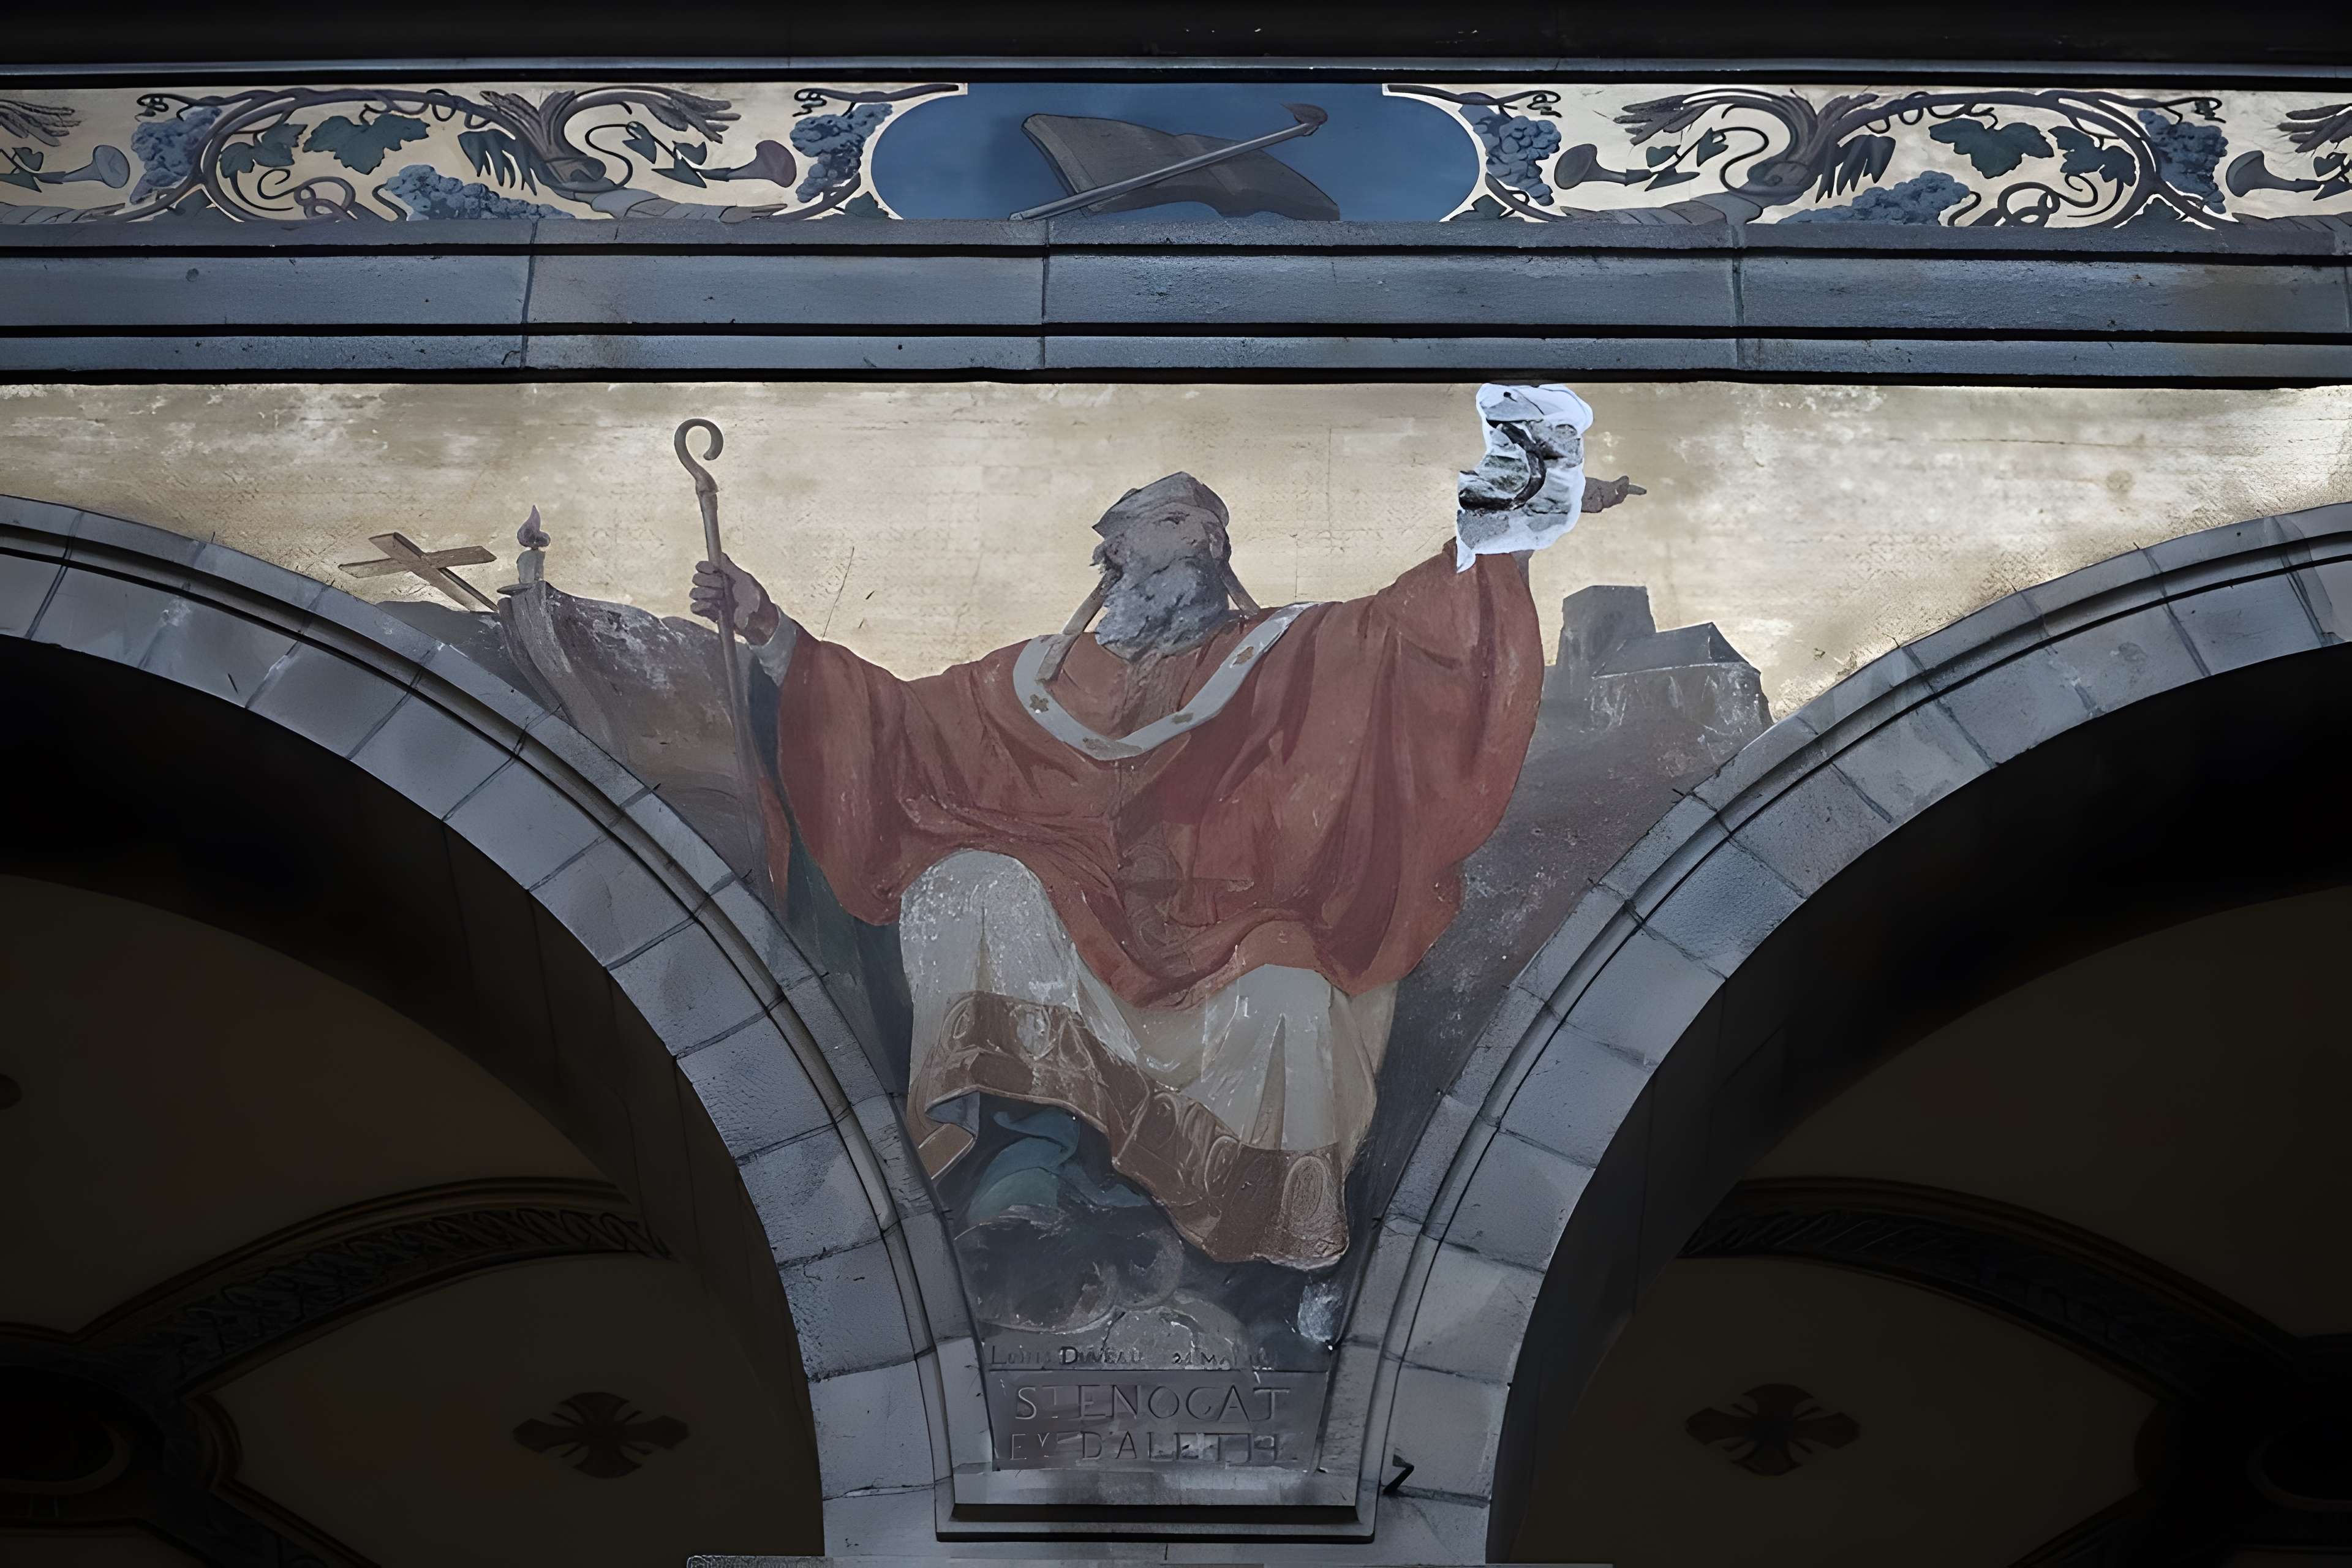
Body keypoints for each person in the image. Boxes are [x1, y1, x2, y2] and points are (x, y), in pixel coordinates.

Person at [693, 440, 1638, 1271]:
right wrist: (773, 629)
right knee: (968, 884)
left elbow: (1404, 636)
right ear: (1112, 554)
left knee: (1290, 996)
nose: (1203, 540)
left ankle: (1262, 1232)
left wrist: (1505, 529)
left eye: (1208, 526)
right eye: (1173, 521)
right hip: (1077, 901)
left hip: (1232, 920)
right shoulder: (1032, 680)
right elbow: (899, 726)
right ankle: (1029, 1158)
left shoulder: (1285, 651)